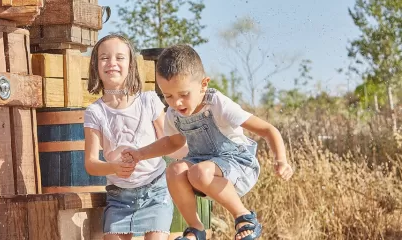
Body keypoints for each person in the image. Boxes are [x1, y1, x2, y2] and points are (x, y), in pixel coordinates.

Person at [122, 44, 294, 240]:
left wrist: (281, 160)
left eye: (184, 95)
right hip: (202, 168)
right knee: (175, 170)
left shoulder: (218, 104)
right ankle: (196, 229)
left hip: (238, 164)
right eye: (168, 96)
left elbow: (268, 130)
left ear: (203, 84)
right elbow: (172, 143)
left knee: (200, 172)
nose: (176, 103)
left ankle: (245, 217)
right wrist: (140, 154)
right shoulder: (173, 114)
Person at [83, 34, 187, 240]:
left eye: (119, 57)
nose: (112, 62)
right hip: (119, 197)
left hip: (155, 191)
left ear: (131, 65)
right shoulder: (95, 112)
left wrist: (186, 143)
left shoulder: (148, 101)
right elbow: (91, 163)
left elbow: (171, 144)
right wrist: (114, 167)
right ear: (95, 65)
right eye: (104, 57)